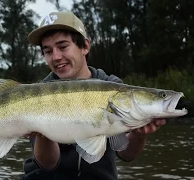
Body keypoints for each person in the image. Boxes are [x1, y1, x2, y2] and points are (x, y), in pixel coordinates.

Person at [21, 11, 166, 180]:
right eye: (48, 51)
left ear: (85, 46)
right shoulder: (37, 94)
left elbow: (126, 154)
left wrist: (139, 135)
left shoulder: (115, 88)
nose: (56, 57)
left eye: (63, 46)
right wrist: (42, 134)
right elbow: (47, 164)